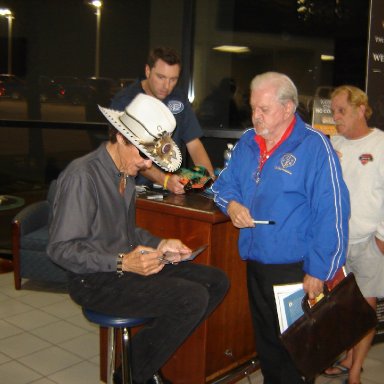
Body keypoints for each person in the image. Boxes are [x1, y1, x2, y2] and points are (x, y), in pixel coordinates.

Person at [47, 93, 229, 384]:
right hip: (93, 280)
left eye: (151, 157)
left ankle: (140, 367)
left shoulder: (124, 173)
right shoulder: (83, 176)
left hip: (123, 268)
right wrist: (122, 263)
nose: (146, 165)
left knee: (216, 281)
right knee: (190, 298)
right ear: (120, 137)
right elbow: (60, 250)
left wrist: (160, 244)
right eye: (144, 155)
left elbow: (127, 233)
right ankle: (132, 376)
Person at [212, 72, 350, 384]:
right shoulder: (248, 142)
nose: (255, 117)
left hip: (296, 269)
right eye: (252, 108)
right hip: (257, 264)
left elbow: (333, 212)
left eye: (264, 110)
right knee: (268, 347)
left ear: (288, 109)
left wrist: (319, 269)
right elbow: (222, 186)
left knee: (297, 351)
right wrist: (231, 205)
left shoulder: (314, 147)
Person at [322, 85, 384, 384]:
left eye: (341, 111)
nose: (336, 117)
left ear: (361, 109)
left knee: (365, 307)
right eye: (333, 111)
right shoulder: (334, 144)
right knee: (340, 307)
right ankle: (347, 356)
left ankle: (356, 369)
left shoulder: (381, 144)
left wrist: (382, 236)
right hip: (337, 242)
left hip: (370, 242)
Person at [111, 46, 215, 194]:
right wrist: (164, 180)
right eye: (161, 77)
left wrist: (207, 177)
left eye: (173, 79)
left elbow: (194, 144)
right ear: (148, 71)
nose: (167, 86)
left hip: (170, 187)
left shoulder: (178, 98)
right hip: (132, 188)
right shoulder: (125, 101)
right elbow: (128, 153)